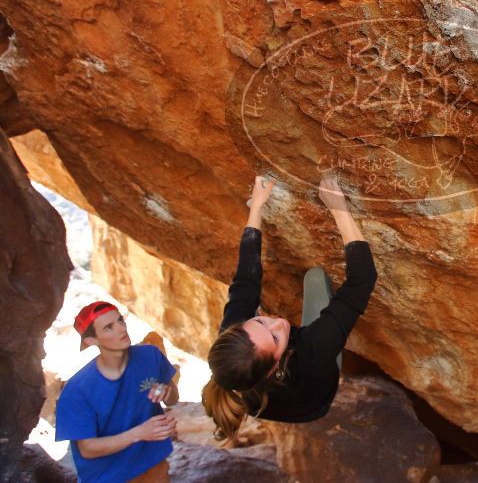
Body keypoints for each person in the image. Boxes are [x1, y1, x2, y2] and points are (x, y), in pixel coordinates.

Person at [201, 174, 378, 441]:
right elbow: (362, 280)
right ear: (273, 367)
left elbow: (246, 280)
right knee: (315, 279)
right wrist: (338, 207)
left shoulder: (236, 350)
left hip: (278, 396)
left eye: (259, 321)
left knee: (249, 304)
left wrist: (257, 206)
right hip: (316, 402)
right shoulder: (313, 352)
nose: (279, 322)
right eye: (274, 337)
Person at [55, 301, 180, 483]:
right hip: (109, 476)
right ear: (91, 341)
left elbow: (173, 399)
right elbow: (88, 449)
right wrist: (140, 433)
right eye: (109, 327)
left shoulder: (150, 356)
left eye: (120, 320)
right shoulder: (77, 390)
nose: (121, 329)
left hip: (154, 465)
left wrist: (167, 391)